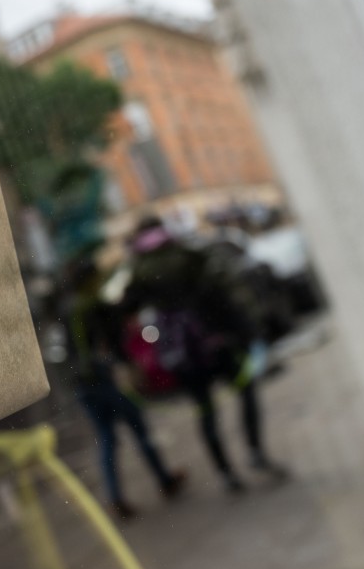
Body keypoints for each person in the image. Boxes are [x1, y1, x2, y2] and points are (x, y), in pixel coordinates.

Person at [122, 216, 289, 493]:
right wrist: (246, 331)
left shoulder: (139, 269)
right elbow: (220, 291)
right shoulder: (188, 255)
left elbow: (127, 308)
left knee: (206, 412)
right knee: (245, 390)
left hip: (182, 351)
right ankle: (255, 452)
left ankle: (226, 473)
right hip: (213, 339)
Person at [65, 255, 187, 520]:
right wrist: (130, 370)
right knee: (139, 430)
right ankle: (165, 480)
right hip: (106, 380)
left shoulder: (69, 310)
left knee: (107, 438)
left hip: (84, 387)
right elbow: (116, 345)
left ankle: (115, 498)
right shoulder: (96, 307)